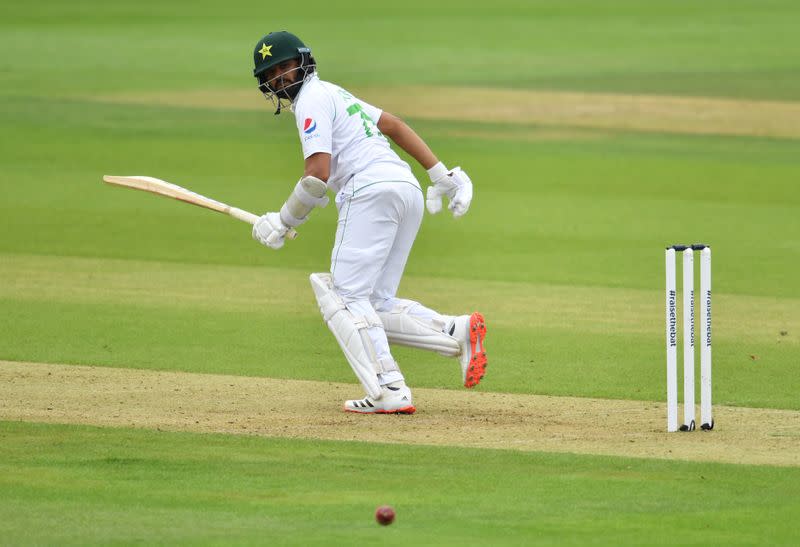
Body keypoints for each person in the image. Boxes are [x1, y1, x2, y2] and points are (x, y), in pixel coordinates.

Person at [250, 30, 487, 414]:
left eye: (285, 67)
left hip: (371, 190)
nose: (280, 78)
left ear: (303, 61)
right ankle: (454, 331)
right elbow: (391, 124)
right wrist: (438, 174)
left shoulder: (312, 99)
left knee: (344, 298)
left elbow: (316, 176)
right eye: (272, 73)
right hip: (403, 188)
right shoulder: (333, 92)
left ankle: (388, 388)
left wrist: (281, 221)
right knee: (373, 302)